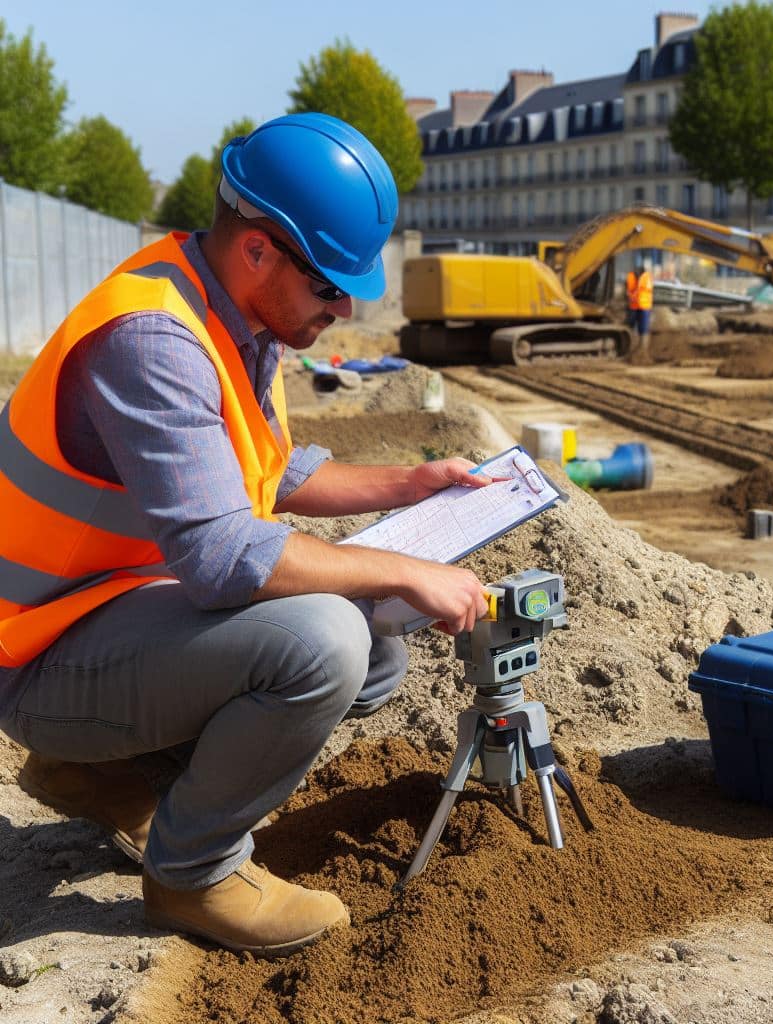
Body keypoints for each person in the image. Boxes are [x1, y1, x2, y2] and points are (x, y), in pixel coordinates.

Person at [0, 113, 494, 957]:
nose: (343, 307)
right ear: (259, 249)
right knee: (328, 639)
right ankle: (193, 873)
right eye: (329, 285)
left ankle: (107, 772)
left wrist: (408, 485)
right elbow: (225, 556)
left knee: (375, 644)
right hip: (36, 654)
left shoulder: (231, 315)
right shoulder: (153, 339)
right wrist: (398, 571)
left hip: (114, 613)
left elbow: (270, 471)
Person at [624, 259, 653, 359]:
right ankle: (629, 348)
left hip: (644, 306)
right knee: (630, 326)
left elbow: (641, 290)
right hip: (633, 306)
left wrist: (632, 295)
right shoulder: (631, 276)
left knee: (643, 328)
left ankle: (643, 351)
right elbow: (628, 289)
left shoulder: (646, 277)